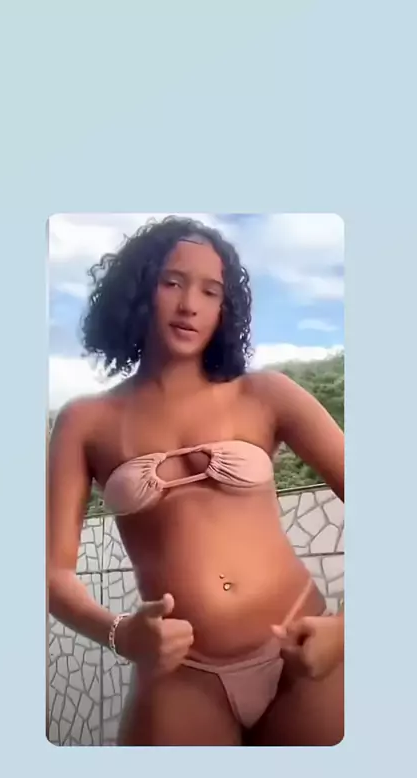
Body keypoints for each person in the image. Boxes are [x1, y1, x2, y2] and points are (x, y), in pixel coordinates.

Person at [47, 216, 345, 746]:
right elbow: (52, 573)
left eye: (211, 291)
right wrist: (122, 634)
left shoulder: (266, 395)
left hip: (302, 649)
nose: (190, 305)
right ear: (139, 290)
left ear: (225, 308)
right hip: (182, 673)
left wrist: (347, 632)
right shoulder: (84, 422)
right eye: (173, 282)